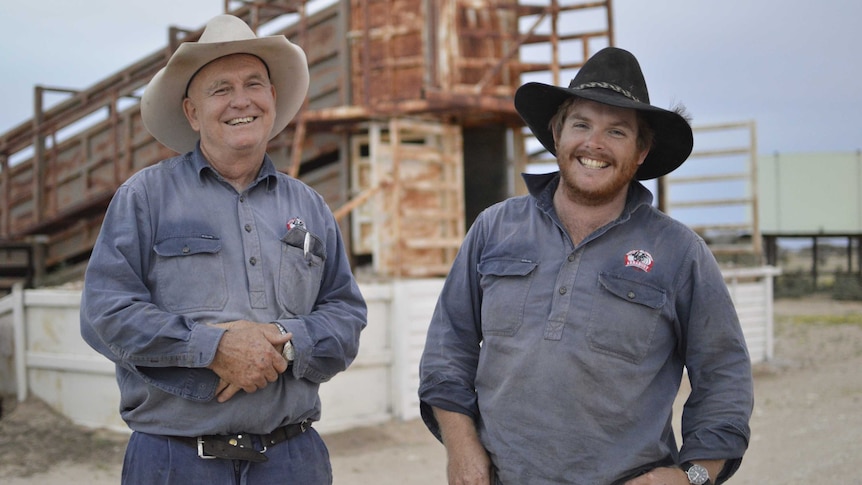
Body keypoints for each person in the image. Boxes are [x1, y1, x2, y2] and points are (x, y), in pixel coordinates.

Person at [418, 47, 753, 485]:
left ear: (641, 152)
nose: (594, 144)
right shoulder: (495, 228)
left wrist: (689, 477)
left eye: (616, 131)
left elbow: (724, 377)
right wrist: (461, 449)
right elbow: (448, 349)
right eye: (581, 124)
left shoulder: (680, 253)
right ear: (557, 134)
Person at [80, 14, 366, 484]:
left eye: (254, 84)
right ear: (192, 112)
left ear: (272, 99)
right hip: (176, 461)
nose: (241, 100)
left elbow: (346, 314)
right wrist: (213, 348)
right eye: (221, 89)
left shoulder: (310, 206)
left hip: (293, 458)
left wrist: (282, 345)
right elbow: (103, 313)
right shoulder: (145, 197)